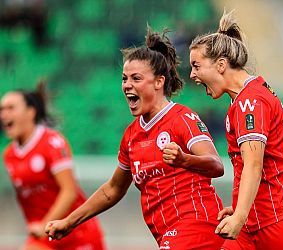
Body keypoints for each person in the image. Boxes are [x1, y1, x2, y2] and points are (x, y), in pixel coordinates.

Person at [45, 27, 226, 250]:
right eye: (124, 78)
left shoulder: (182, 118)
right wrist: (69, 222)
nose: (127, 85)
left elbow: (216, 165)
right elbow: (112, 190)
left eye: (136, 78)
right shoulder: (131, 135)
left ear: (159, 82)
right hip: (167, 234)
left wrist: (184, 160)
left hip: (198, 225)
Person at [189, 10, 283, 250]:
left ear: (220, 65)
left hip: (280, 221)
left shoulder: (251, 102)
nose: (192, 75)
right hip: (256, 221)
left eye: (197, 66)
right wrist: (241, 207)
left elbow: (254, 164)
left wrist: (239, 216)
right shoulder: (250, 97)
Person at [0, 81, 105, 250]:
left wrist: (43, 225)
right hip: (45, 238)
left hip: (77, 234)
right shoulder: (9, 155)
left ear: (30, 112)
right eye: (2, 109)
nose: (4, 114)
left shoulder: (52, 142)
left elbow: (69, 191)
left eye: (11, 108)